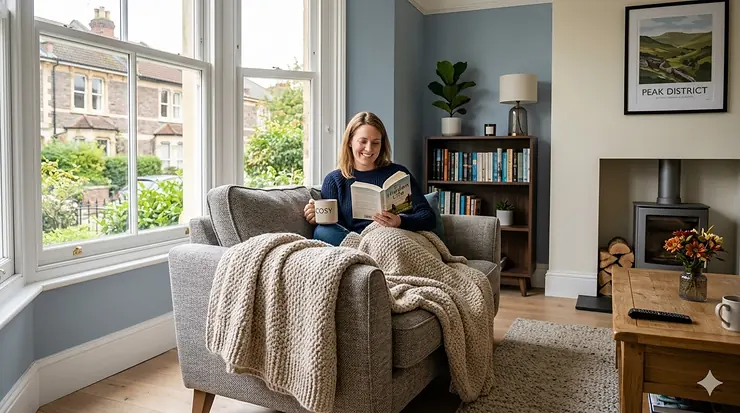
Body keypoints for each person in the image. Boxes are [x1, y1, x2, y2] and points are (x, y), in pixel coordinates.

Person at [303, 111, 436, 246]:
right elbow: (337, 228)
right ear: (350, 141)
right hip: (357, 241)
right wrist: (318, 214)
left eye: (375, 143)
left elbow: (428, 217)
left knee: (389, 241)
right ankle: (367, 252)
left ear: (382, 144)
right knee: (322, 231)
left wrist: (400, 221)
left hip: (394, 238)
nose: (369, 149)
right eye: (363, 141)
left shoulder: (398, 173)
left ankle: (369, 256)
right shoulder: (334, 180)